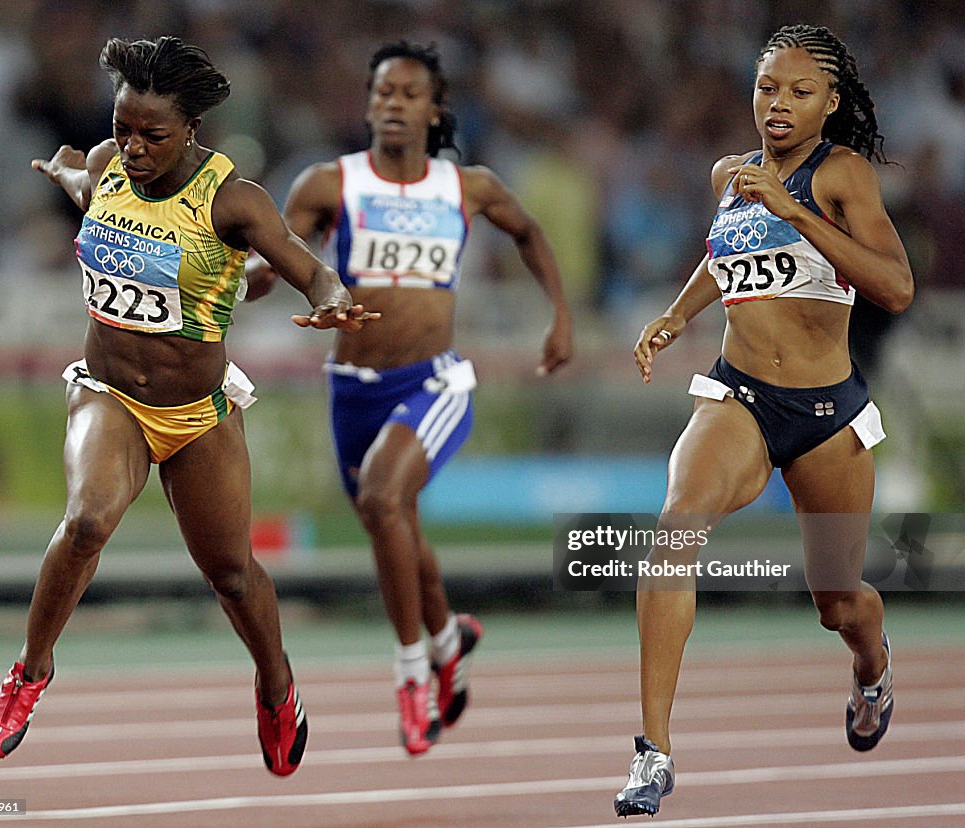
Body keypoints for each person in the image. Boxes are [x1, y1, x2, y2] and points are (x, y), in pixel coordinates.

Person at [0, 36, 375, 776]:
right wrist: (65, 166)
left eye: (151, 136)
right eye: (121, 128)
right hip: (110, 393)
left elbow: (307, 270)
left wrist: (333, 301)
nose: (131, 147)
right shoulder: (107, 165)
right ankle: (30, 672)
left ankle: (276, 687)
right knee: (87, 519)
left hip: (197, 412)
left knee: (230, 574)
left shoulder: (233, 199)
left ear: (192, 130)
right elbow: (87, 185)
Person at [616, 25, 914, 817]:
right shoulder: (731, 172)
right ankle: (653, 753)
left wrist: (799, 210)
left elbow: (895, 287)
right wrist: (677, 317)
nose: (777, 104)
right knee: (674, 529)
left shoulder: (844, 174)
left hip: (828, 413)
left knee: (837, 601)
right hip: (739, 394)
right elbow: (725, 255)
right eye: (766, 89)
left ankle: (872, 663)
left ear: (831, 102)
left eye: (798, 91)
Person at [251, 41, 573, 756]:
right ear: (368, 105)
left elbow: (529, 232)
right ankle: (448, 637)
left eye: (408, 93)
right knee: (398, 531)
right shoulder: (330, 183)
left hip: (434, 381)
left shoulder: (469, 187)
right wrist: (234, 277)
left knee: (382, 499)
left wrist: (560, 314)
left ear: (434, 110)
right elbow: (274, 259)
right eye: (382, 92)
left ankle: (412, 674)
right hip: (352, 390)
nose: (392, 103)